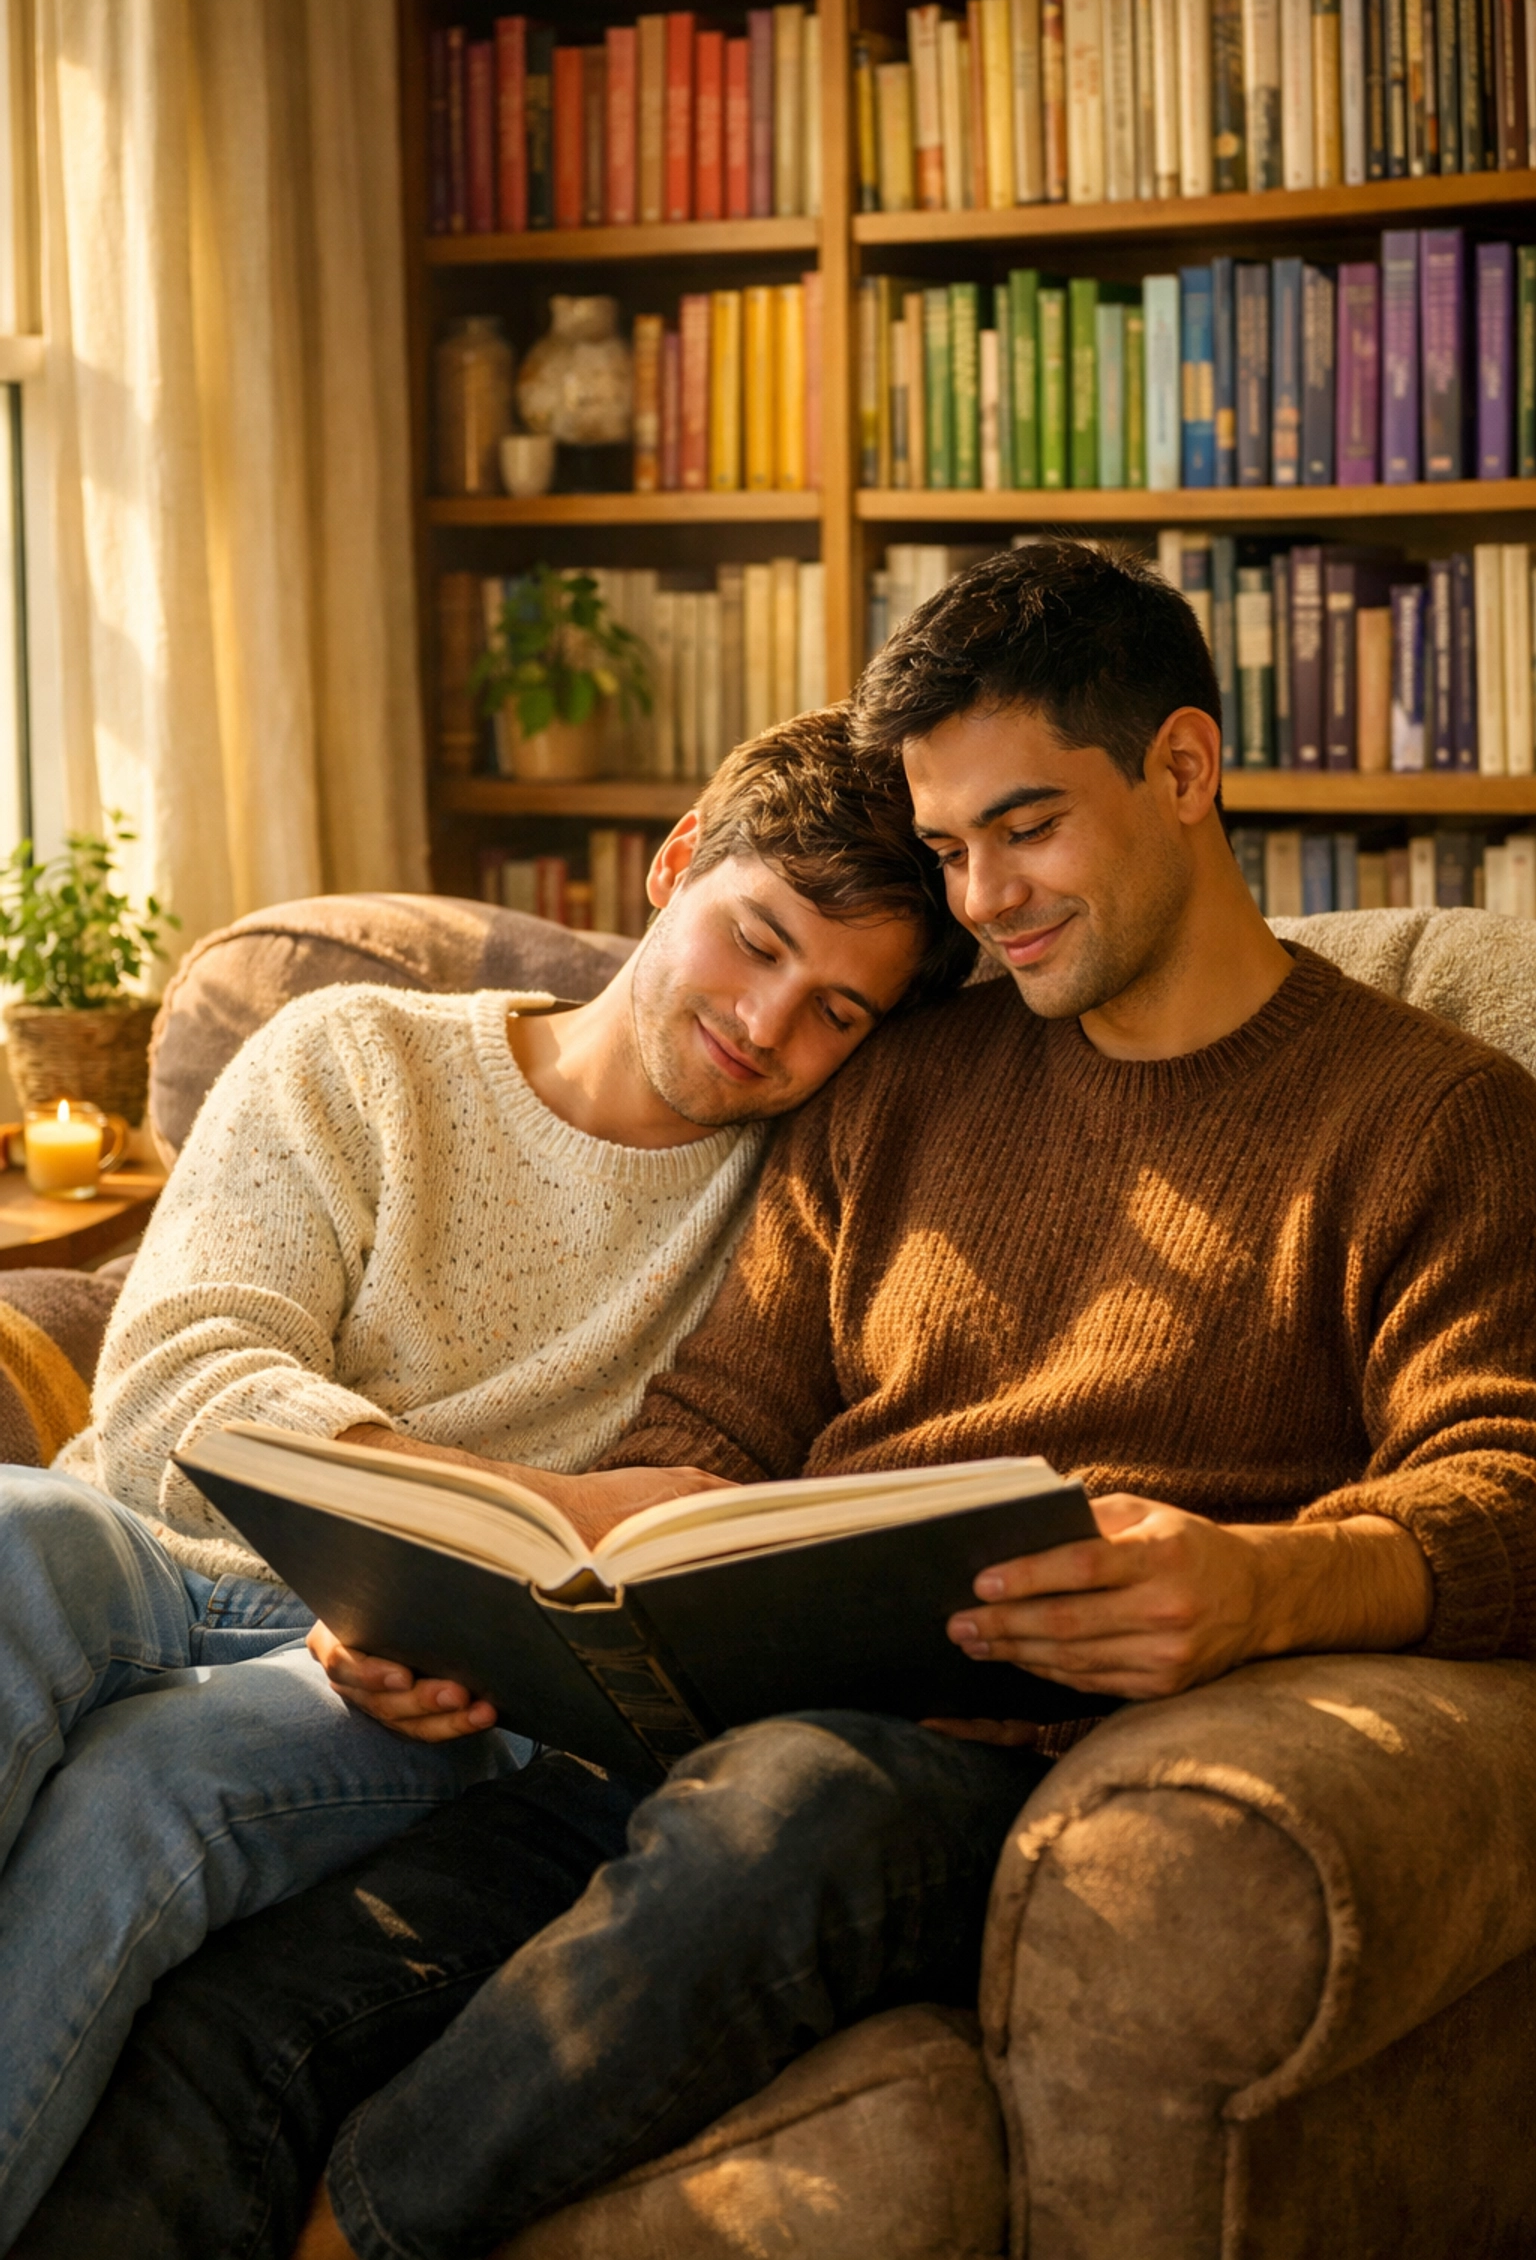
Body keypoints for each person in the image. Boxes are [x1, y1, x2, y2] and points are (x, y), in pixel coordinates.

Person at [22, 541, 1536, 2260]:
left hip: (983, 1765)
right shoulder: (903, 1080)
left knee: (791, 1805)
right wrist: (450, 1593)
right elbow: (714, 1443)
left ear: (1183, 768)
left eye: (1025, 828)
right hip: (682, 1719)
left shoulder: (1434, 1122)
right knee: (236, 2022)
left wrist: (1271, 1580)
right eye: (953, 851)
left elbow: (1510, 1477)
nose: (985, 901)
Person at [0, 708, 970, 2250]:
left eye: (840, 1012)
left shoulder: (792, 1200)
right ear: (673, 866)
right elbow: (176, 1381)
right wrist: (431, 1521)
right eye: (757, 940)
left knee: (148, 1792)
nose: (772, 1025)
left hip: (433, 1684)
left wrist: (433, 1580)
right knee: (13, 1527)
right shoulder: (352, 1054)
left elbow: (691, 1538)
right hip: (162, 1553)